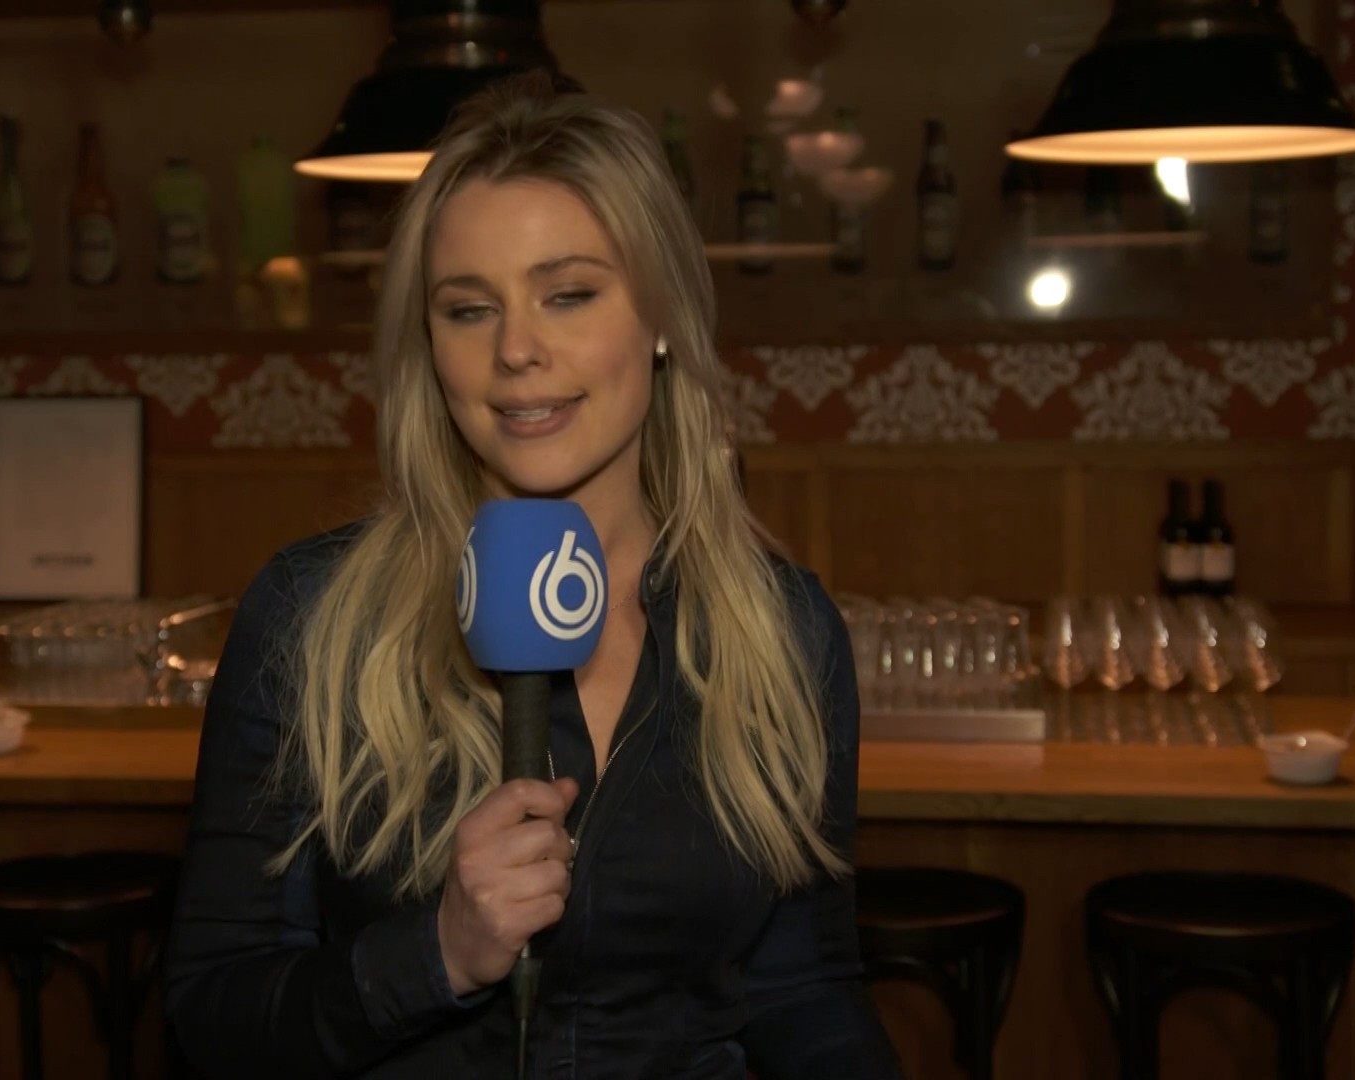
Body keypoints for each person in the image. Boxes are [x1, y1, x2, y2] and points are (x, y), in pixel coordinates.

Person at [164, 72, 904, 1079]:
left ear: (660, 315)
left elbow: (803, 992)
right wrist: (435, 954)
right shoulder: (311, 616)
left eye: (568, 295)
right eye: (469, 309)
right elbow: (211, 1019)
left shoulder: (786, 632)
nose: (516, 350)